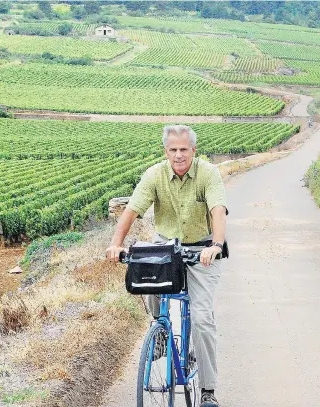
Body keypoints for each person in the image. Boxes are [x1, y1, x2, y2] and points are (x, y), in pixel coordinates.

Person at [106, 124, 228, 407]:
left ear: (193, 151)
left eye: (184, 149)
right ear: (166, 151)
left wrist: (216, 246)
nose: (178, 155)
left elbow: (218, 210)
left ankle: (208, 391)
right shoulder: (154, 175)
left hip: (202, 248)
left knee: (201, 318)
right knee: (144, 269)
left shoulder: (208, 173)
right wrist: (115, 244)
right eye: (173, 150)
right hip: (166, 246)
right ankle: (160, 330)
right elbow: (132, 210)